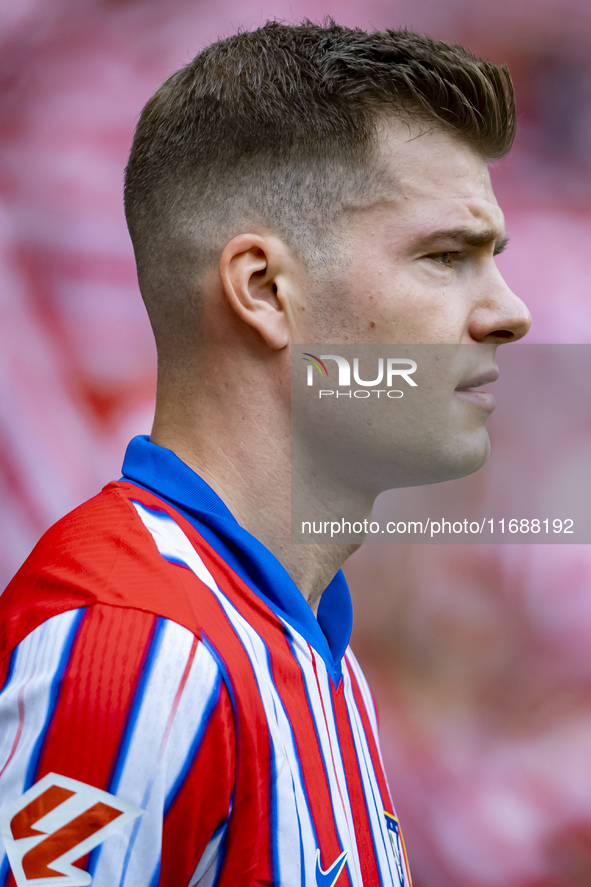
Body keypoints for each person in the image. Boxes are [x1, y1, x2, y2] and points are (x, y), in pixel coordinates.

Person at [0, 21, 530, 887]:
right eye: (445, 257)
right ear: (264, 291)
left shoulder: (308, 647)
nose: (511, 313)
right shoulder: (138, 648)